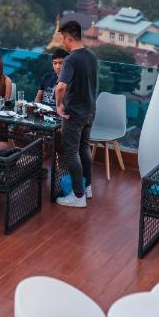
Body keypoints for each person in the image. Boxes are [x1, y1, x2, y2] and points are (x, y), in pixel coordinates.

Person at [54, 21, 98, 208]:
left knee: (71, 152)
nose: (62, 42)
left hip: (74, 113)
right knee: (83, 148)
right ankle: (87, 187)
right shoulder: (91, 56)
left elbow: (61, 87)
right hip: (89, 110)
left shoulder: (71, 59)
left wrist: (59, 106)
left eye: (62, 38)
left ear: (68, 37)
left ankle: (77, 195)